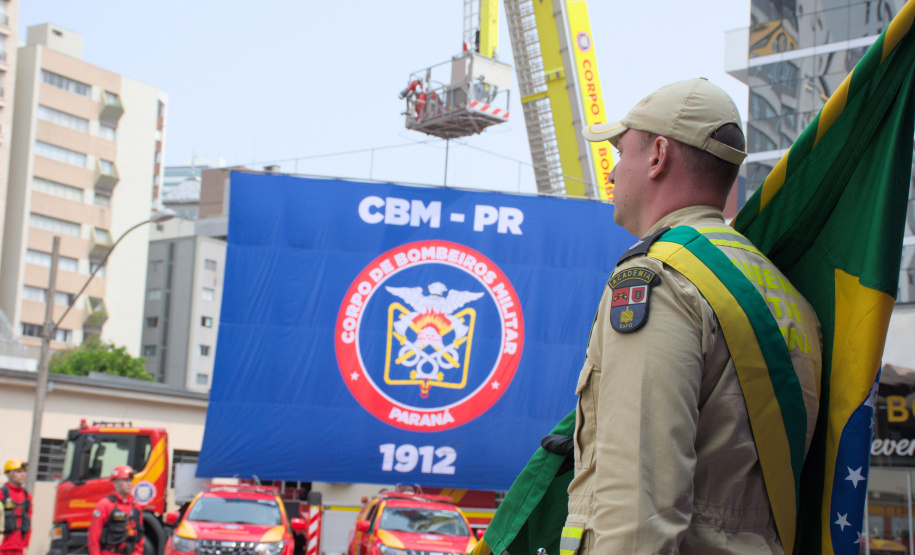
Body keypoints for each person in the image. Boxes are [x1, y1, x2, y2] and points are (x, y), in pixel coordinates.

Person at [562, 78, 823, 553]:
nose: (613, 173)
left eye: (622, 152)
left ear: (659, 155)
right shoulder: (786, 294)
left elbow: (638, 510)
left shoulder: (658, 281)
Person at [88, 466, 144, 555]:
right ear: (116, 483)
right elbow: (94, 537)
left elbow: (140, 534)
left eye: (130, 480)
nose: (129, 484)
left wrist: (138, 553)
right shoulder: (104, 505)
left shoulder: (136, 506)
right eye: (126, 480)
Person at [1, 459, 32, 555]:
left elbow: (29, 521)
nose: (23, 474)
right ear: (8, 474)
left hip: (19, 548)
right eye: (18, 472)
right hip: (2, 547)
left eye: (24, 472)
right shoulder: (2, 494)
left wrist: (25, 545)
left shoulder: (27, 496)